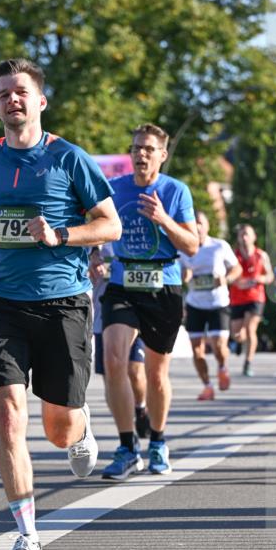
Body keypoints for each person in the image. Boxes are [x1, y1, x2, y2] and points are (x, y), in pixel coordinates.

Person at [0, 57, 120, 550]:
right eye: (2, 94)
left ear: (40, 100)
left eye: (20, 92)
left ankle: (80, 429)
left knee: (58, 427)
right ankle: (27, 537)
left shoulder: (69, 159)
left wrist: (60, 235)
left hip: (63, 302)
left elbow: (109, 225)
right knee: (9, 417)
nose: (11, 100)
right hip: (1, 303)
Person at [100, 123, 198, 480]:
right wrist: (95, 254)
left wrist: (162, 218)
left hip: (163, 284)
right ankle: (127, 446)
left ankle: (157, 440)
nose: (140, 154)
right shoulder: (114, 188)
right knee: (114, 360)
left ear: (162, 155)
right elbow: (96, 225)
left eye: (148, 149)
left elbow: (191, 246)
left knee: (156, 374)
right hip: (122, 281)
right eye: (136, 147)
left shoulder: (176, 191)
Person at [89, 243, 150, 438]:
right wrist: (90, 266)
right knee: (111, 377)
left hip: (136, 312)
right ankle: (126, 433)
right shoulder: (88, 242)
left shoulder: (132, 236)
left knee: (135, 371)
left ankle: (140, 407)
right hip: (103, 319)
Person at [180, 210, 242, 400]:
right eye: (194, 222)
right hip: (194, 304)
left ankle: (222, 366)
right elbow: (181, 275)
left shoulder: (219, 246)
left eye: (201, 222)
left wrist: (226, 279)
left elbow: (236, 268)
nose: (197, 226)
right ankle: (207, 385)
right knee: (197, 350)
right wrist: (185, 275)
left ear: (207, 226)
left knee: (218, 346)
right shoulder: (182, 250)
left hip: (218, 302)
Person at [229, 224, 273, 376]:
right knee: (236, 333)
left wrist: (260, 278)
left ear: (254, 237)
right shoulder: (233, 256)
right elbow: (228, 275)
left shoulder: (261, 255)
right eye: (241, 235)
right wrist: (236, 282)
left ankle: (248, 363)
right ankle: (239, 342)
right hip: (237, 298)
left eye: (247, 234)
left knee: (250, 329)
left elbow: (270, 276)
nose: (244, 237)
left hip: (256, 298)